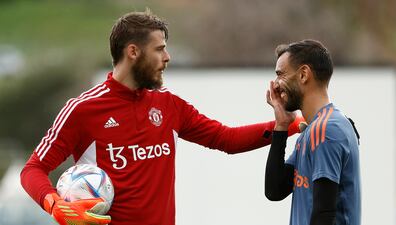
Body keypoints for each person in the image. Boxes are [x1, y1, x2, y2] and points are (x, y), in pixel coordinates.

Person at [20, 10, 303, 225]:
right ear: (133, 52)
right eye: (159, 49)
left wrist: (286, 125)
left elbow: (225, 138)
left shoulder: (169, 105)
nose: (167, 57)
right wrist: (55, 204)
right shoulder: (82, 110)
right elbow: (32, 169)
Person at [264, 39, 361, 225]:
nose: (275, 85)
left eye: (280, 75)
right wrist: (282, 125)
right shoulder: (316, 129)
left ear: (303, 75)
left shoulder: (327, 129)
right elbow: (274, 190)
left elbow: (323, 214)